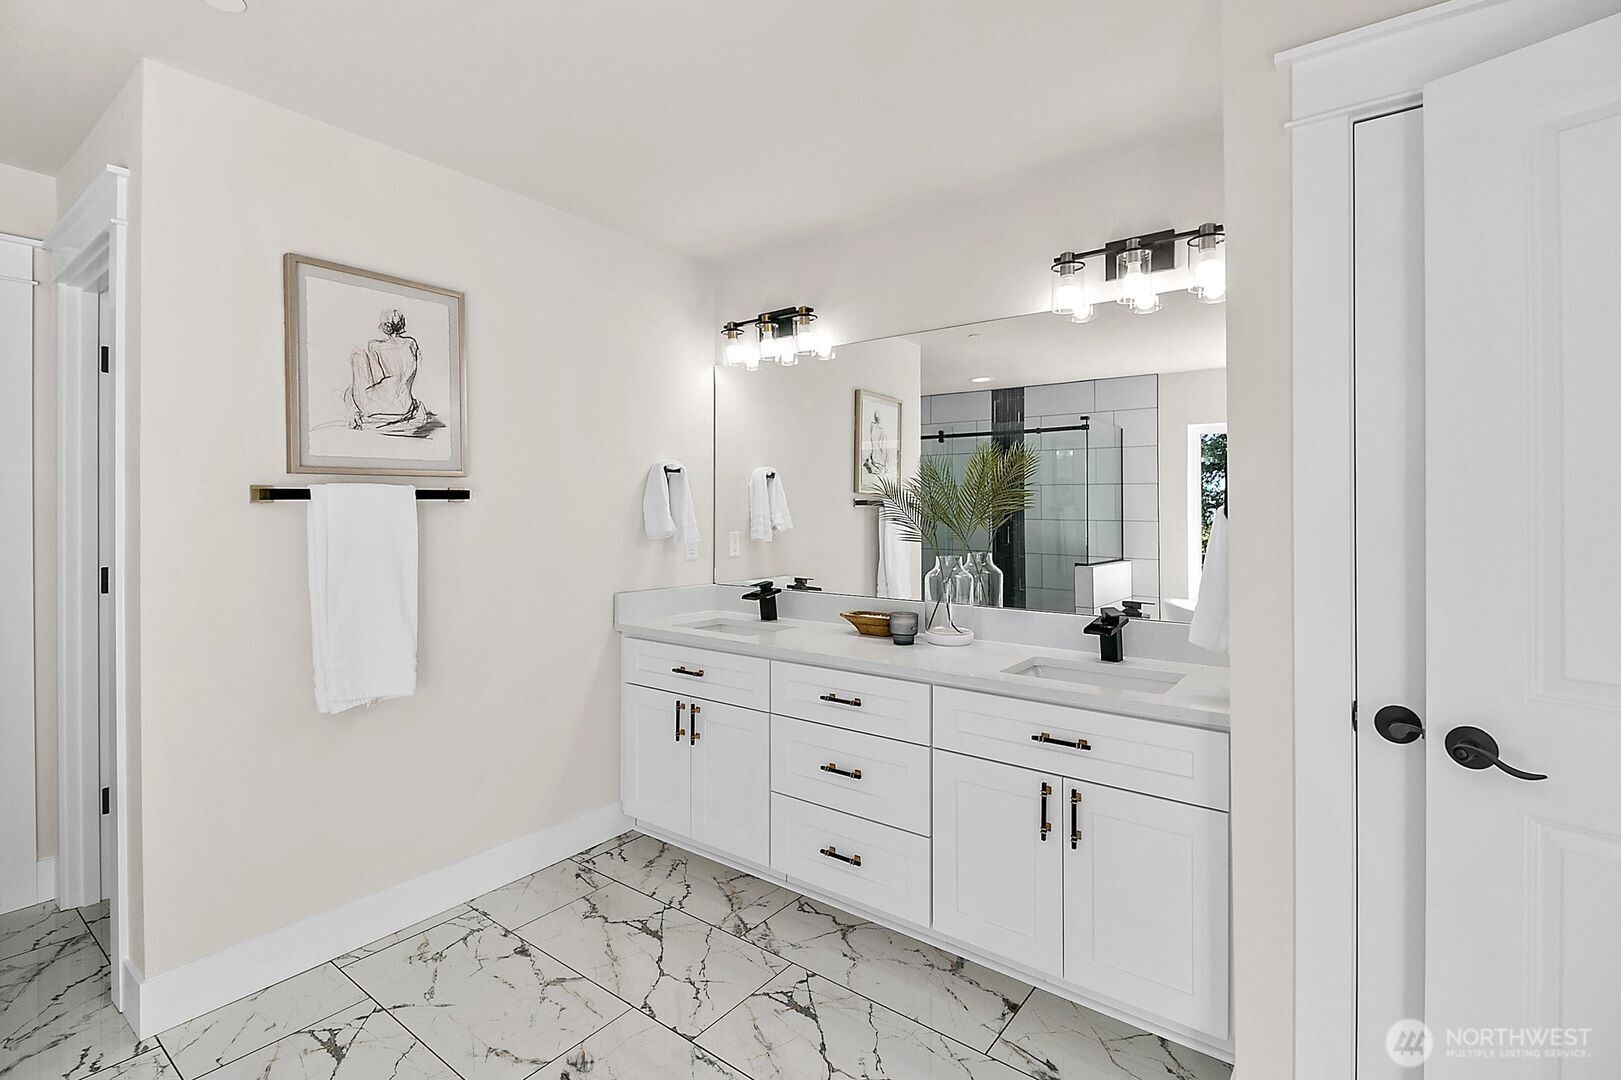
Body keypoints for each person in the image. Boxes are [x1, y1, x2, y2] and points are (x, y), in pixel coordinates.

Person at [344, 308, 443, 437]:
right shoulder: (411, 343)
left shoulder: (374, 346)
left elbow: (375, 377)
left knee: (357, 355)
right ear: (401, 324)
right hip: (405, 406)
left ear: (384, 327)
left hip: (377, 407)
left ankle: (356, 414)